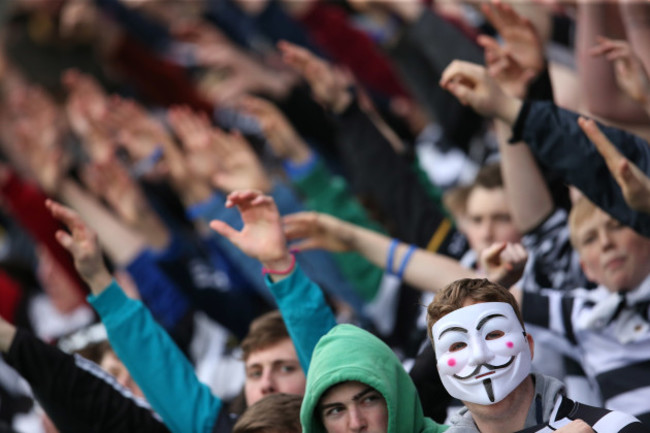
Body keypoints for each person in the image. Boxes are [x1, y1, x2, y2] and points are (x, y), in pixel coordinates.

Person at [426, 278, 648, 432]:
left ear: (528, 345)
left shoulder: (614, 429)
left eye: (493, 334)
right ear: (439, 371)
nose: (479, 356)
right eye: (457, 346)